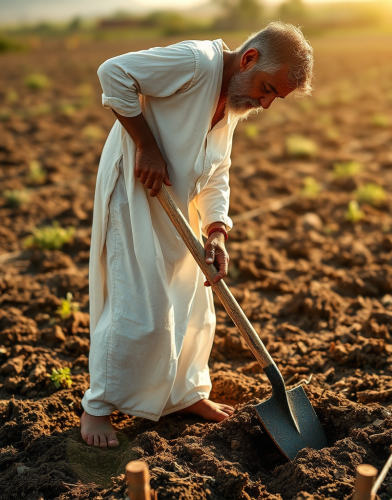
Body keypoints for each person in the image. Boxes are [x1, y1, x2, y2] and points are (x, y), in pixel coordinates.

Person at [80, 21, 314, 448]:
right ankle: (97, 408)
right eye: (266, 88)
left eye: (273, 98)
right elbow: (113, 71)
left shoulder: (234, 104)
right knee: (140, 300)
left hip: (178, 200)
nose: (264, 102)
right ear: (248, 59)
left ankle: (186, 395)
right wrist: (146, 146)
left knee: (193, 302)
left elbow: (217, 170)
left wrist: (217, 229)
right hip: (135, 193)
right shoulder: (195, 63)